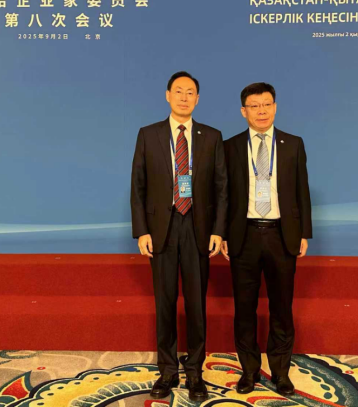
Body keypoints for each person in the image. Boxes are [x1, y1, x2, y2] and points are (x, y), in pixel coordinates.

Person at [130, 71, 228, 401]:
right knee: (165, 302)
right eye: (179, 91)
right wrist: (141, 230)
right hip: (162, 228)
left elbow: (222, 189)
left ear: (197, 99)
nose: (184, 97)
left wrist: (218, 230)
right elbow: (138, 186)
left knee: (197, 304)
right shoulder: (149, 134)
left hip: (198, 228)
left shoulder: (211, 136)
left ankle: (195, 371)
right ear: (167, 95)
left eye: (190, 92)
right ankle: (168, 370)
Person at [220, 82, 312, 396]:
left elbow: (302, 190)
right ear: (243, 111)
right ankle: (248, 371)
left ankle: (281, 372)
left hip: (281, 235)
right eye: (255, 106)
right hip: (243, 235)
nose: (262, 111)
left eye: (267, 104)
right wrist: (222, 233)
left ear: (275, 107)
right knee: (244, 308)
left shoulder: (293, 144)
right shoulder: (230, 146)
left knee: (281, 308)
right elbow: (223, 195)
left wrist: (303, 232)